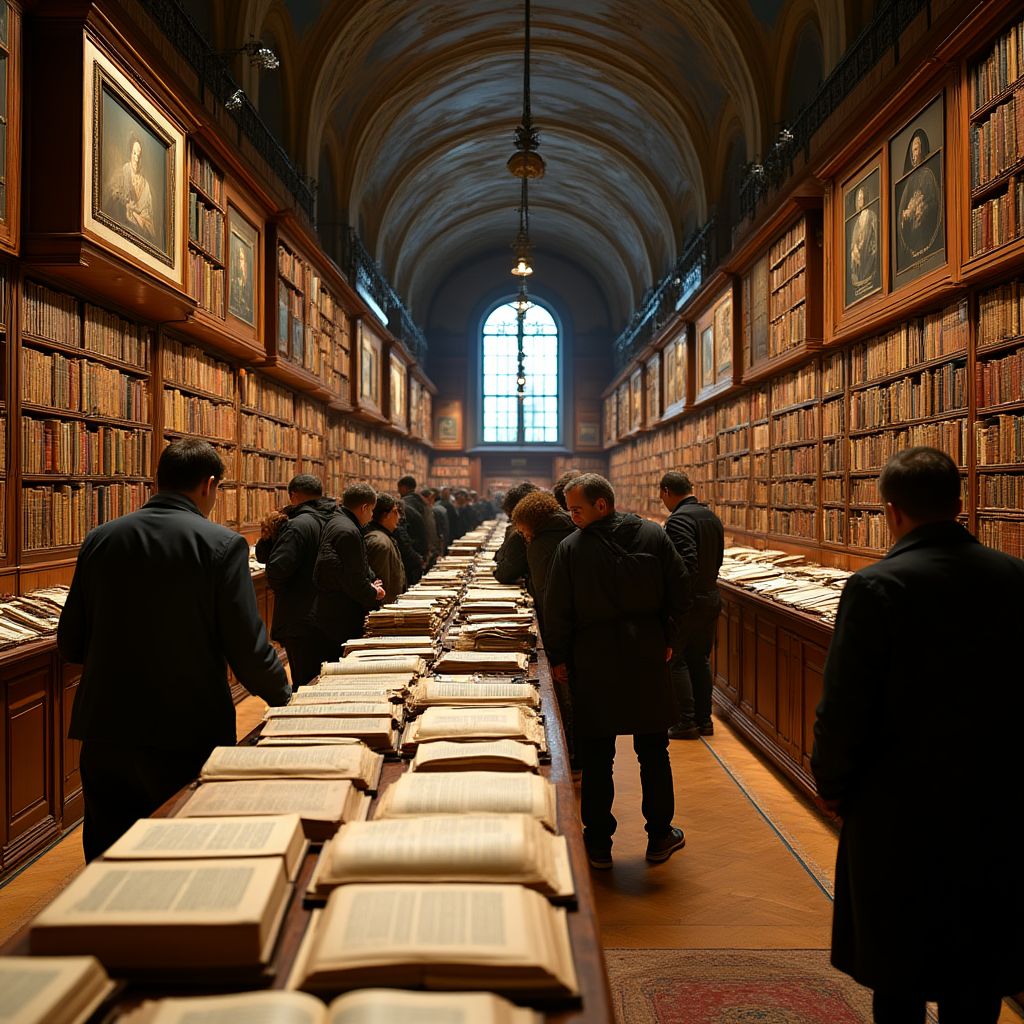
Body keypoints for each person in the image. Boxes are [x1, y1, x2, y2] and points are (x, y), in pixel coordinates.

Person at [811, 447, 1024, 1023]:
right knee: (977, 962)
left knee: (898, 960)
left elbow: (844, 704)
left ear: (891, 512)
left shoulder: (878, 586)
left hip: (897, 803)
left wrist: (831, 783)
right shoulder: (1015, 577)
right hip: (995, 799)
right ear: (960, 505)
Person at [57, 438, 291, 862]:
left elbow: (71, 641)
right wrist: (285, 699)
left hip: (106, 726)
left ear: (159, 481)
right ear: (209, 484)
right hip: (184, 729)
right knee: (179, 854)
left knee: (109, 858)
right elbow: (247, 644)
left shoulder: (101, 539)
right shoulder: (222, 544)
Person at [544, 473, 692, 869]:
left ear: (601, 505)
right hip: (646, 653)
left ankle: (598, 844)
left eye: (575, 509)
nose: (571, 516)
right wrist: (669, 638)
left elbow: (556, 609)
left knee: (597, 756)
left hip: (594, 658)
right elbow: (682, 591)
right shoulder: (653, 535)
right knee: (654, 751)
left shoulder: (571, 548)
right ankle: (660, 835)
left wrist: (558, 657)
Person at [254, 474, 339, 689]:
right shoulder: (335, 518)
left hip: (301, 618)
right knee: (325, 682)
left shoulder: (297, 525)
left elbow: (276, 570)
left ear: (293, 495)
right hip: (330, 614)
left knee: (304, 684)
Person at [659, 471, 725, 739]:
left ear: (666, 491)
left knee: (677, 659)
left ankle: (686, 722)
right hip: (710, 596)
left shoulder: (679, 520)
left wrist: (677, 603)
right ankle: (704, 720)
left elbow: (686, 565)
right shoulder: (711, 516)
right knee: (701, 658)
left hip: (689, 602)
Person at [312, 483, 386, 657]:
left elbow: (349, 567)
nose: (372, 515)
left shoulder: (338, 521)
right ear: (364, 507)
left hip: (332, 609)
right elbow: (352, 577)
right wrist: (372, 592)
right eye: (372, 510)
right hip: (341, 613)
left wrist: (370, 581)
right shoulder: (348, 531)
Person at [897, 129, 940, 261]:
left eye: (916, 149)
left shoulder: (927, 175)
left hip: (924, 230)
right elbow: (903, 209)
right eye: (913, 151)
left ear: (922, 149)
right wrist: (907, 214)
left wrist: (922, 208)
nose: (914, 154)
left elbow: (934, 202)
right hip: (913, 234)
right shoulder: (910, 181)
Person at [107, 133, 155, 240]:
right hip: (119, 233)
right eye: (134, 154)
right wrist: (126, 209)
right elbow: (111, 203)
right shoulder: (121, 174)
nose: (136, 159)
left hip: (139, 238)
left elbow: (149, 222)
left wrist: (138, 218)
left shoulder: (145, 185)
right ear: (129, 153)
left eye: (139, 155)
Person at [363, 493, 407, 603]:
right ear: (386, 515)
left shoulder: (384, 537)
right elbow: (380, 585)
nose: (399, 517)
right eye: (395, 512)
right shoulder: (380, 543)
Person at [493, 481, 538, 587]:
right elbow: (497, 556)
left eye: (511, 517)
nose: (512, 522)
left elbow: (505, 574)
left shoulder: (521, 534)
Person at [398, 475, 437, 569]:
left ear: (403, 488)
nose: (398, 492)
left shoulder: (404, 504)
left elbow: (403, 534)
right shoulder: (423, 503)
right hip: (427, 549)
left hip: (413, 553)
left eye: (399, 489)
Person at [849, 185, 879, 299]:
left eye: (861, 198)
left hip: (868, 252)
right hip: (859, 256)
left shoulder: (871, 215)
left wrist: (867, 246)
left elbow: (875, 235)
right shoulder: (857, 220)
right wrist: (855, 248)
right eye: (858, 198)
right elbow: (854, 240)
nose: (860, 200)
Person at [422, 487, 450, 555]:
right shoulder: (428, 511)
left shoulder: (436, 511)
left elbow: (440, 531)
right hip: (433, 547)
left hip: (435, 546)